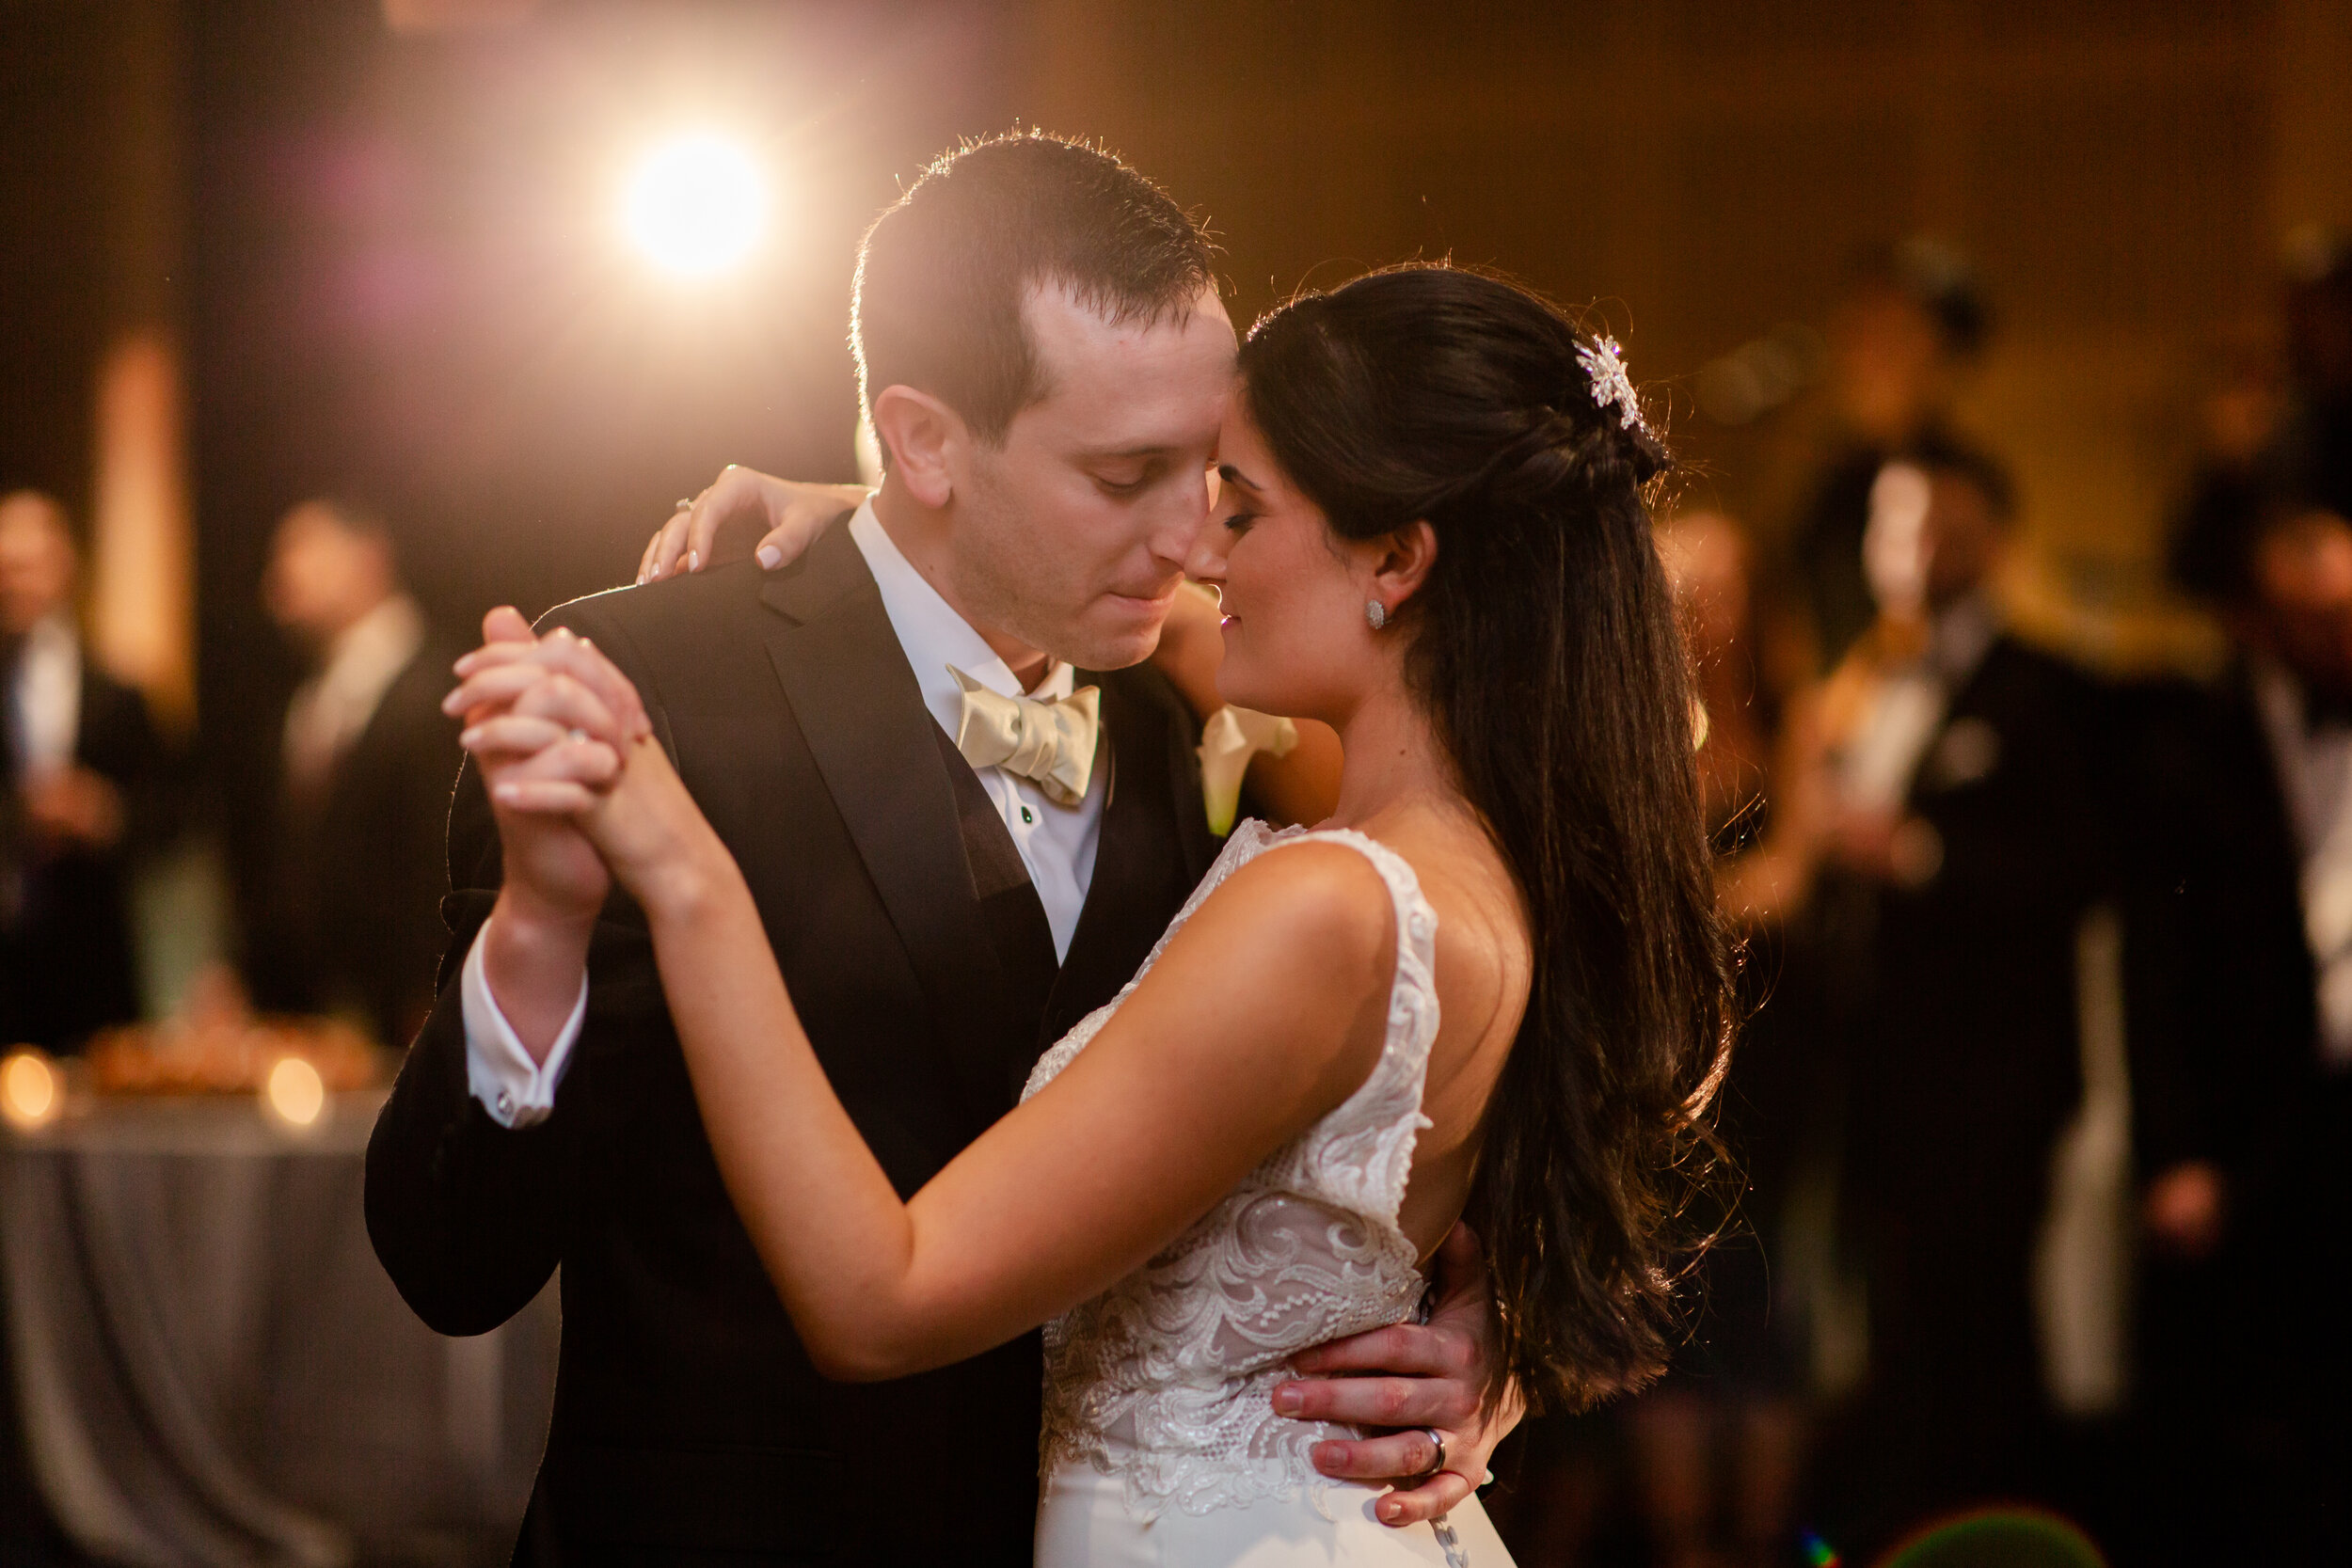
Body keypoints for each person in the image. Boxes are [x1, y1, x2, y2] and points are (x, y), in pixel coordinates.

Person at [448, 261, 1732, 1567]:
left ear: (1400, 557)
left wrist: (683, 871)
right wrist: (903, 526)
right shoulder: (1490, 844)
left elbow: (882, 1292)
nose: (1193, 545)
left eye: (1238, 504)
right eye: (1148, 482)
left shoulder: (1330, 899)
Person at [248, 497, 461, 1048]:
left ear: (370, 556)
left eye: (306, 546)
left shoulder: (443, 688)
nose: (283, 572)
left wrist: (435, 999)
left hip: (417, 1024)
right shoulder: (305, 703)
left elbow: (448, 862)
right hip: (311, 1027)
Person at [0, 490, 169, 1051]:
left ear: (65, 564)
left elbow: (172, 814)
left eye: (27, 564)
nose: (15, 581)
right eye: (4, 567)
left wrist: (104, 813)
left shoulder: (118, 693)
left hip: (95, 956)